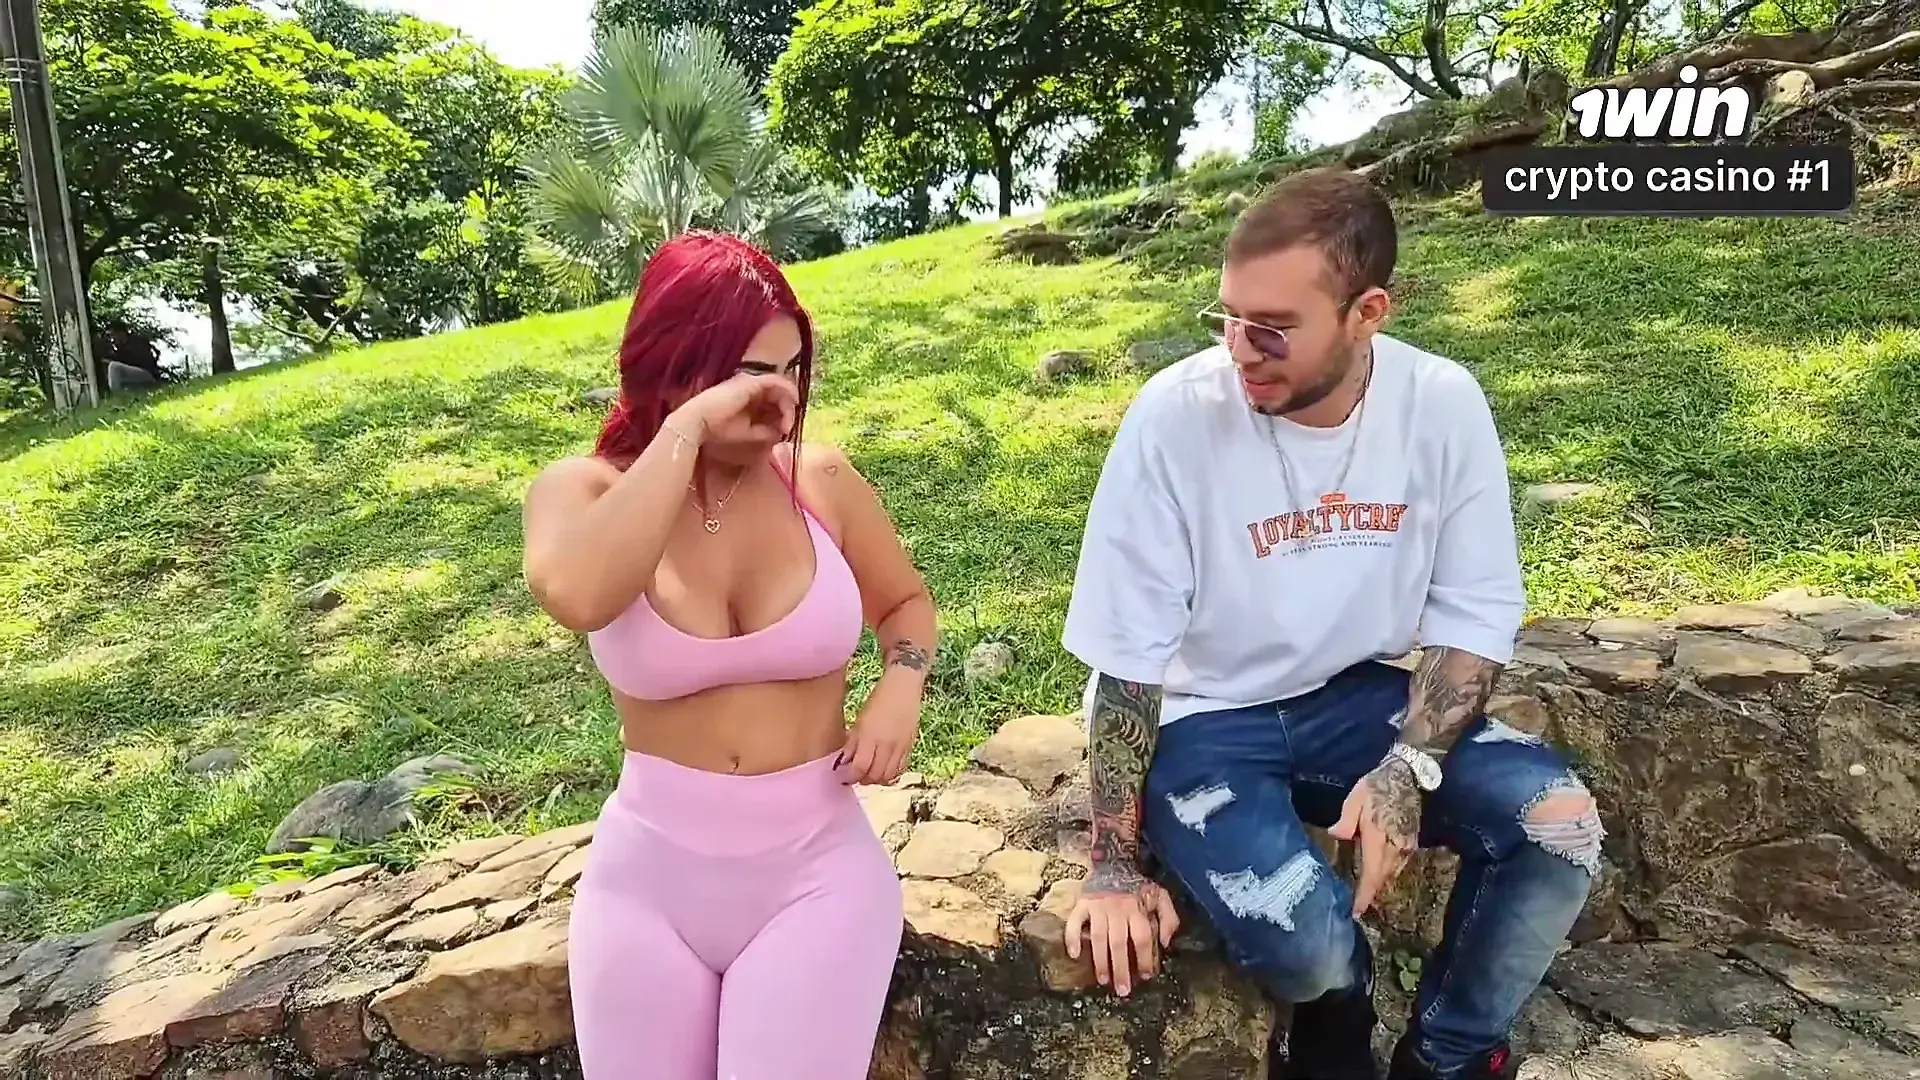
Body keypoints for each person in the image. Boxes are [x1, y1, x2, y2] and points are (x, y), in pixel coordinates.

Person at [1057, 167, 1602, 1080]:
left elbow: (1473, 614)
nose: (1241, 348)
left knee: (1561, 829)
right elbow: (1128, 661)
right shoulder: (1175, 418)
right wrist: (1112, 862)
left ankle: (1449, 1057)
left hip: (1353, 697)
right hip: (1201, 717)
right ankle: (1334, 1029)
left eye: (1272, 326)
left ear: (1367, 313)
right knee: (1305, 941)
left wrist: (1408, 767)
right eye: (1227, 318)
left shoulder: (1441, 404)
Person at [520, 231, 934, 1079]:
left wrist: (901, 684)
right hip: (647, 886)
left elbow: (906, 606)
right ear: (673, 364)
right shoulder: (582, 491)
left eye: (792, 369)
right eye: (749, 373)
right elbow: (579, 596)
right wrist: (685, 432)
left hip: (816, 873)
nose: (779, 398)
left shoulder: (819, 481)